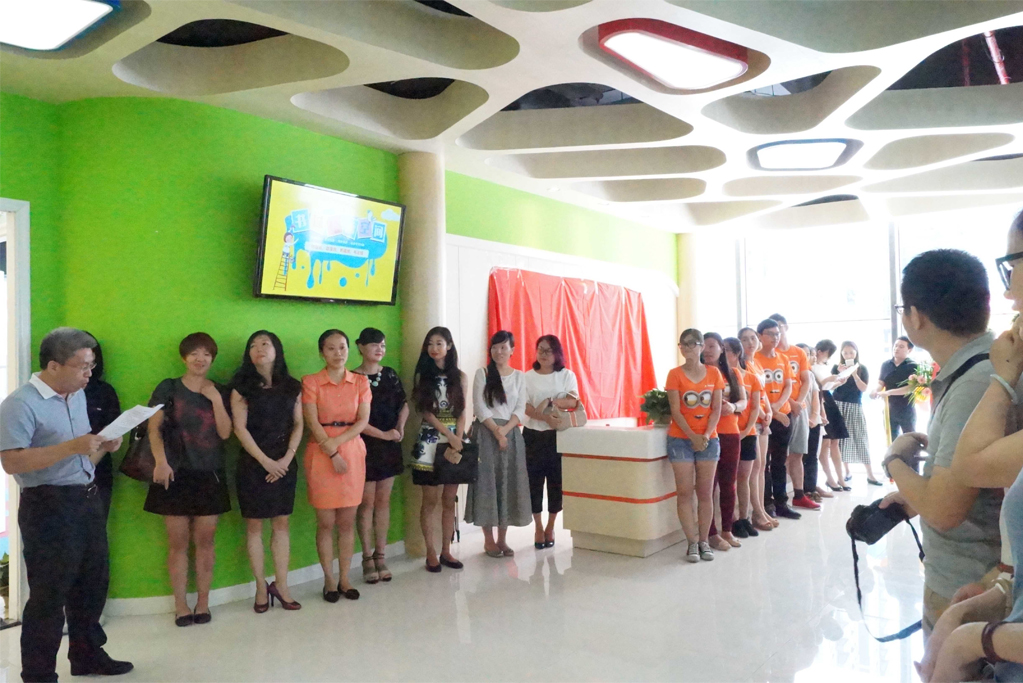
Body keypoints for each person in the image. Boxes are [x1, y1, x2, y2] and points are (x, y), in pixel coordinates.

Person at [918, 210, 1023, 680]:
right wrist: (1000, 587)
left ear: (915, 316)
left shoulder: (981, 375)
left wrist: (973, 640)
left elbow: (965, 475)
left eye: (1013, 265)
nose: (1010, 293)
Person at [879, 249, 1002, 636]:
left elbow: (945, 510)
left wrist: (894, 461)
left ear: (915, 316)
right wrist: (916, 494)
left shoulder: (974, 382)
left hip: (968, 586)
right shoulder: (987, 366)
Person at [0, 328, 132, 682]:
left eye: (92, 365)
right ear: (54, 366)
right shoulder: (20, 404)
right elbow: (12, 461)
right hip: (48, 506)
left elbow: (81, 457)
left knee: (92, 584)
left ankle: (87, 656)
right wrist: (72, 446)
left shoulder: (76, 395)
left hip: (85, 497)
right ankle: (39, 674)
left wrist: (104, 444)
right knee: (49, 595)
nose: (90, 373)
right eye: (83, 366)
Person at [145, 332, 233, 626]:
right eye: (194, 353)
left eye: (206, 354)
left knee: (206, 542)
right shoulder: (168, 387)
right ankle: (181, 605)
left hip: (210, 473)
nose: (200, 359)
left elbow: (225, 433)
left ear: (212, 359)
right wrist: (161, 462)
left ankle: (203, 603)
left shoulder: (219, 390)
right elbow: (154, 428)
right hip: (174, 473)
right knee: (177, 543)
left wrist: (216, 399)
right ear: (184, 357)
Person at [230, 331, 303, 612]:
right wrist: (265, 462)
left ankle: (281, 585)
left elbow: (299, 424)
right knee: (255, 526)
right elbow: (239, 428)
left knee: (282, 524)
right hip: (253, 464)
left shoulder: (292, 386)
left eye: (265, 344)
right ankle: (261, 587)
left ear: (277, 350)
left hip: (285, 462)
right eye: (253, 345)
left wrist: (286, 459)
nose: (258, 348)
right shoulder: (241, 387)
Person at [302, 329, 370, 602]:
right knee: (326, 522)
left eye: (342, 347)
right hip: (321, 452)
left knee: (347, 521)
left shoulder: (360, 382)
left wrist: (338, 444)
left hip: (351, 450)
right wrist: (331, 451)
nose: (337, 353)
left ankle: (345, 578)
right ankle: (329, 580)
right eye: (330, 348)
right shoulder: (311, 381)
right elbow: (311, 420)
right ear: (322, 352)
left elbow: (362, 420)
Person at [466, 331, 531, 556]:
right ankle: (488, 540)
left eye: (504, 347)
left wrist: (505, 431)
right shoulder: (483, 373)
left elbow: (520, 408)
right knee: (487, 484)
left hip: (510, 433)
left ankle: (503, 539)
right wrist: (497, 432)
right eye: (495, 347)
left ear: (512, 350)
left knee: (507, 484)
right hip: (486, 433)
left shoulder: (519, 376)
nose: (499, 351)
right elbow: (480, 406)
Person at [353, 328, 408, 584]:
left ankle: (381, 555)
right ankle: (367, 558)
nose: (379, 349)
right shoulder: (353, 377)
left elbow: (403, 404)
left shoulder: (390, 374)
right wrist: (383, 435)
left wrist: (400, 428)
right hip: (364, 445)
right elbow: (354, 419)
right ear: (360, 347)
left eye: (383, 345)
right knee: (366, 503)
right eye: (374, 344)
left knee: (383, 502)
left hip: (390, 444)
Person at [410, 326, 468, 572]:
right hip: (429, 440)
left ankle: (446, 550)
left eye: (439, 343)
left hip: (455, 440)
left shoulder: (460, 376)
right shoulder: (423, 375)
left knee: (449, 499)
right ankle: (430, 552)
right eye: (430, 344)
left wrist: (458, 438)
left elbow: (462, 410)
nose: (434, 348)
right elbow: (425, 412)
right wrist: (449, 435)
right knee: (430, 500)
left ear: (449, 346)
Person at [666, 329, 724, 562]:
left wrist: (705, 435)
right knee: (684, 492)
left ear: (701, 347)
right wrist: (692, 436)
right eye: (684, 344)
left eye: (693, 344)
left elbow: (716, 409)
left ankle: (704, 540)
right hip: (680, 439)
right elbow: (675, 411)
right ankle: (691, 542)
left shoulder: (714, 373)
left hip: (709, 440)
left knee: (705, 492)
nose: (688, 348)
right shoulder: (674, 374)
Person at [523, 335, 579, 550]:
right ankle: (538, 527)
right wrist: (544, 417)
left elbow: (573, 400)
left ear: (557, 353)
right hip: (533, 435)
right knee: (534, 482)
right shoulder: (527, 377)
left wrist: (551, 401)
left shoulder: (566, 375)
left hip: (558, 436)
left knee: (556, 483)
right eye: (540, 349)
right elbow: (525, 406)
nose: (543, 354)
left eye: (548, 350)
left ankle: (551, 526)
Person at [770, 314, 819, 511]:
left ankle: (799, 495)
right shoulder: (768, 355)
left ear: (786, 327)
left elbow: (806, 380)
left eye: (779, 327)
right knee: (779, 456)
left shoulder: (798, 352)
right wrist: (790, 402)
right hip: (780, 409)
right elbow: (778, 385)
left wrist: (798, 402)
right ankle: (776, 497)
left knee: (798, 453)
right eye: (772, 330)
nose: (776, 333)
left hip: (800, 409)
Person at [703, 333, 747, 550]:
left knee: (728, 484)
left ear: (721, 349)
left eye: (712, 346)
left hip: (730, 432)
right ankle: (710, 533)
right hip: (707, 434)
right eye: (704, 346)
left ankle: (727, 530)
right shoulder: (698, 373)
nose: (707, 350)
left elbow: (744, 401)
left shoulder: (733, 373)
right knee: (708, 487)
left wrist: (734, 407)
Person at [754, 319, 800, 521]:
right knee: (763, 463)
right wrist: (772, 411)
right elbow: (757, 390)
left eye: (777, 333)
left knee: (780, 461)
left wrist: (779, 406)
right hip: (763, 417)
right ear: (760, 336)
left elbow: (788, 386)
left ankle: (782, 503)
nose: (775, 337)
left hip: (783, 415)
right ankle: (767, 503)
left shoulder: (783, 358)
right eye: (770, 334)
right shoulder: (754, 359)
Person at [726, 336, 763, 539]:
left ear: (736, 353)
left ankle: (744, 517)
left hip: (747, 433)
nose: (722, 354)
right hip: (727, 433)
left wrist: (747, 430)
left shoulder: (751, 378)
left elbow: (755, 407)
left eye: (726, 350)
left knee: (744, 477)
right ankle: (731, 520)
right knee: (728, 479)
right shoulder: (720, 377)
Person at [739, 326, 775, 531]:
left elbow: (763, 393)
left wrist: (768, 411)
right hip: (752, 420)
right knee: (755, 466)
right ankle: (756, 512)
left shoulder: (757, 364)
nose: (750, 343)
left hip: (763, 419)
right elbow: (750, 396)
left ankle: (760, 509)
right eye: (745, 339)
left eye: (753, 338)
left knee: (762, 467)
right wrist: (762, 414)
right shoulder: (742, 366)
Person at [832, 341, 882, 485]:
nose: (848, 355)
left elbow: (864, 388)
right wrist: (841, 375)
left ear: (856, 353)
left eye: (851, 353)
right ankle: (846, 472)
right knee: (840, 440)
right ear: (841, 354)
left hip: (854, 405)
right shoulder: (836, 367)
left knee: (860, 438)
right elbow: (831, 386)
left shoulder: (862, 368)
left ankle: (870, 474)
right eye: (845, 353)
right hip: (838, 405)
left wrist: (854, 374)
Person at [82, 335, 120, 519]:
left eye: (91, 364)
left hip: (98, 472)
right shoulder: (55, 394)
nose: (87, 370)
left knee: (96, 529)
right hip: (61, 475)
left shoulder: (104, 391)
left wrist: (88, 466)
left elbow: (112, 433)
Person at [813, 339, 850, 492]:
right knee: (826, 443)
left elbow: (827, 386)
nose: (827, 357)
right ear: (820, 351)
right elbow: (817, 386)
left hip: (828, 398)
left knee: (835, 441)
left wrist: (839, 382)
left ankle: (840, 478)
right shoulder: (811, 366)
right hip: (819, 399)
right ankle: (830, 478)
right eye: (827, 353)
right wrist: (830, 379)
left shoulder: (824, 366)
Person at [797, 342, 830, 503]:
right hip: (799, 419)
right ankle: (801, 490)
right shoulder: (793, 374)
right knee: (798, 457)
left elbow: (817, 398)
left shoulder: (811, 375)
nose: (807, 357)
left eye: (809, 354)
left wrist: (816, 415)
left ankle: (810, 489)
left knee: (811, 457)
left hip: (812, 420)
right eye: (803, 354)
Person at [871, 336, 920, 441]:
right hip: (889, 409)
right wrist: (875, 390)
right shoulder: (886, 365)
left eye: (901, 347)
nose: (897, 348)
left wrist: (889, 392)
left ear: (909, 350)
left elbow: (910, 388)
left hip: (906, 409)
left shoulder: (913, 366)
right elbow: (881, 382)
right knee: (891, 440)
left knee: (910, 440)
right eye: (896, 346)